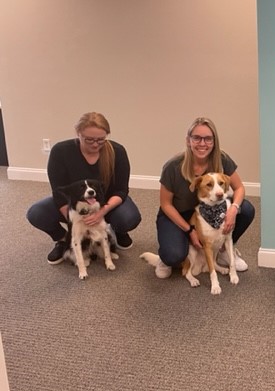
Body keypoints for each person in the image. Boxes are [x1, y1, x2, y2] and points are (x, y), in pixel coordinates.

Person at [27, 112, 141, 264]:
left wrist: (102, 211)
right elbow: (59, 193)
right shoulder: (60, 152)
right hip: (75, 206)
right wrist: (76, 221)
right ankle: (63, 240)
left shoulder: (117, 151)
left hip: (106, 203)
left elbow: (121, 190)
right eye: (89, 140)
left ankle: (117, 231)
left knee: (128, 218)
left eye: (101, 140)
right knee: (36, 213)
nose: (95, 144)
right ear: (78, 134)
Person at [153, 117, 255, 278]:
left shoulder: (222, 159)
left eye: (208, 139)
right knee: (173, 255)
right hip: (178, 214)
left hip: (208, 211)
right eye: (197, 138)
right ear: (188, 140)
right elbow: (166, 204)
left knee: (246, 209)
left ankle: (223, 250)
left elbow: (239, 188)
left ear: (214, 141)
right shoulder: (173, 166)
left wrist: (233, 210)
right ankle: (164, 258)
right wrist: (190, 230)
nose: (202, 143)